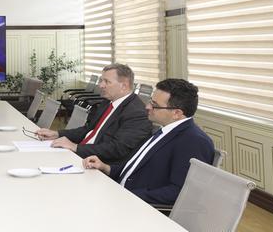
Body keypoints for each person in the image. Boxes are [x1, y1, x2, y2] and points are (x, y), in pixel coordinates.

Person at [83, 78, 215, 207]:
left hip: (140, 207)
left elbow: (180, 192)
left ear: (177, 113)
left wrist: (125, 195)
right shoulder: (164, 130)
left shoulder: (194, 142)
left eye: (154, 105)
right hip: (120, 195)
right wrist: (106, 168)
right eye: (150, 102)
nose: (147, 107)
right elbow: (137, 169)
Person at [36, 63, 151, 164]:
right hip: (82, 154)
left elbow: (117, 149)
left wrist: (75, 147)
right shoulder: (108, 102)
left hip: (97, 163)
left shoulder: (137, 113)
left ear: (124, 85)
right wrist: (57, 134)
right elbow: (89, 130)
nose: (101, 85)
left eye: (107, 82)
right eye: (102, 81)